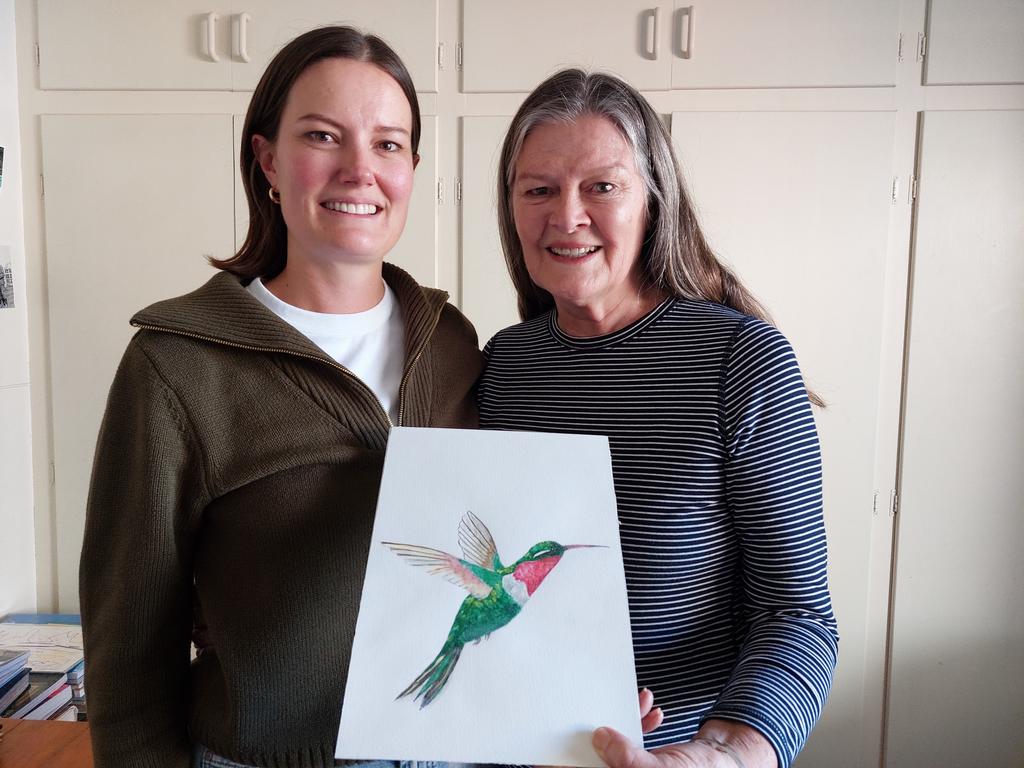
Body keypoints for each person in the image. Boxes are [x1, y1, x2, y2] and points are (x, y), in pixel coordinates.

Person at [79, 27, 481, 768]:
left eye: (389, 145)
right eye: (324, 137)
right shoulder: (175, 365)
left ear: (413, 169)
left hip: (453, 747)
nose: (361, 170)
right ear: (267, 159)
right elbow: (128, 645)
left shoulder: (453, 341)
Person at [477, 69, 838, 768]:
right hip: (517, 751)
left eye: (602, 187)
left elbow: (795, 617)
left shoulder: (741, 358)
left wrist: (724, 754)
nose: (567, 216)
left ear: (653, 201)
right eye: (539, 189)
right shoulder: (502, 367)